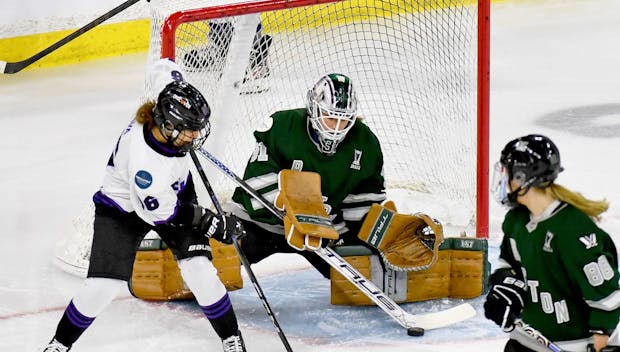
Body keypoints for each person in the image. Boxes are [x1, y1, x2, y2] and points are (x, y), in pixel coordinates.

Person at [42, 62, 247, 352]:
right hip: (122, 210)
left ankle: (231, 338)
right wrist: (208, 221)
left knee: (200, 271)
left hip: (174, 193)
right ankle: (58, 345)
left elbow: (164, 67)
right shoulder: (146, 165)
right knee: (102, 287)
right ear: (168, 126)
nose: (195, 137)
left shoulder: (165, 106)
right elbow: (164, 213)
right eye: (189, 131)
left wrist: (172, 78)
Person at [230, 73, 386, 278]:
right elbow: (255, 181)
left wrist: (381, 232)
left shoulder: (365, 143)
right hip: (263, 225)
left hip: (323, 235)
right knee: (214, 257)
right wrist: (295, 212)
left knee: (371, 273)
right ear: (314, 108)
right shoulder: (282, 126)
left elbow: (361, 204)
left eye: (344, 119)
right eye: (331, 117)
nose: (337, 128)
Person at [484, 134, 620, 352]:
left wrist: (599, 344)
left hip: (574, 345)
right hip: (527, 340)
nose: (503, 181)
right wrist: (504, 285)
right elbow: (508, 265)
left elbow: (608, 301)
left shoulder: (572, 230)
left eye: (508, 173)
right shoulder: (516, 221)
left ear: (522, 177)